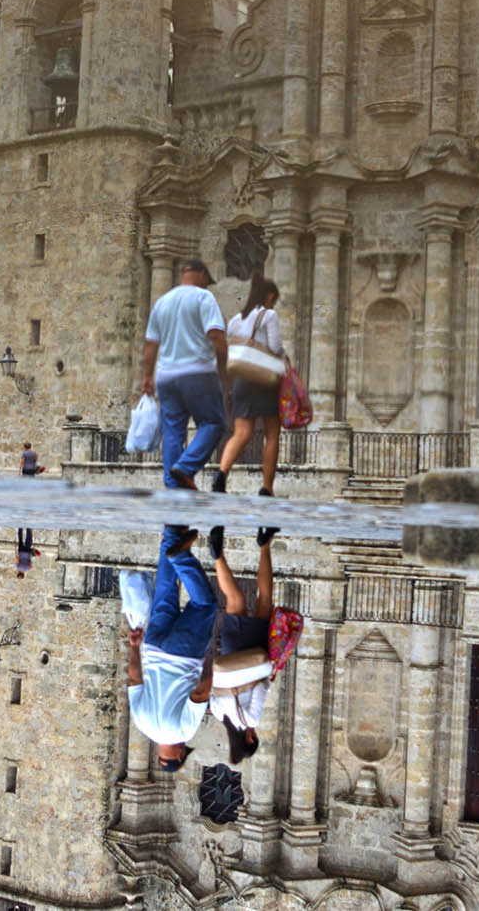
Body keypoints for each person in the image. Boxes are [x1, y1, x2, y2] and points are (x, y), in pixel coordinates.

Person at [127, 526, 217, 771]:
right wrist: (134, 647)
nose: (185, 745)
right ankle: (172, 531)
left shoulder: (183, 730)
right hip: (153, 646)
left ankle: (181, 556)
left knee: (206, 605)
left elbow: (200, 694)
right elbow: (134, 679)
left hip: (183, 654)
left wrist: (211, 660)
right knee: (165, 590)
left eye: (184, 751)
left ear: (178, 755)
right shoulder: (142, 724)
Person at [140, 259, 227, 490]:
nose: (207, 286)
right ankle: (187, 467)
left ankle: (174, 498)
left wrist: (147, 377)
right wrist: (223, 370)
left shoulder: (162, 302)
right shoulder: (203, 297)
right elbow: (217, 336)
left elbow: (150, 344)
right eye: (207, 281)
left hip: (165, 377)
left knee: (172, 435)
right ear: (200, 275)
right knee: (213, 422)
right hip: (197, 372)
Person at [207, 523, 278, 764]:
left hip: (252, 654)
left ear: (249, 739)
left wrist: (267, 676)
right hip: (230, 651)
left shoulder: (251, 720)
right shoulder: (219, 715)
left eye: (254, 737)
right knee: (234, 598)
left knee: (264, 600)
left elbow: (259, 689)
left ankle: (264, 546)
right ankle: (218, 557)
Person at [214, 273, 284, 496]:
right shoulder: (269, 315)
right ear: (269, 296)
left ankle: (221, 473)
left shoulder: (235, 320)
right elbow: (275, 347)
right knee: (272, 433)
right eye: (274, 299)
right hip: (263, 378)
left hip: (242, 379)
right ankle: (266, 487)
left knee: (241, 432)